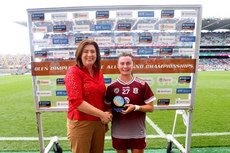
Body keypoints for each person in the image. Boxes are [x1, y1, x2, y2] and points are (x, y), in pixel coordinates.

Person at [64, 39, 113, 153]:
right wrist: (102, 115)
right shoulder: (73, 72)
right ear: (80, 54)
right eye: (86, 51)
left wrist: (106, 116)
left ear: (97, 54)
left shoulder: (98, 72)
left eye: (93, 51)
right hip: (81, 123)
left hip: (98, 123)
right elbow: (76, 102)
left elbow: (101, 97)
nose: (90, 55)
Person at [105, 52, 156, 153]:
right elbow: (107, 108)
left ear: (133, 65)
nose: (125, 66)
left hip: (137, 131)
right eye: (122, 63)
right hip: (119, 132)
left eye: (128, 63)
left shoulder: (142, 84)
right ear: (118, 66)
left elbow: (151, 107)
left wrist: (136, 107)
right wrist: (107, 118)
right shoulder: (111, 87)